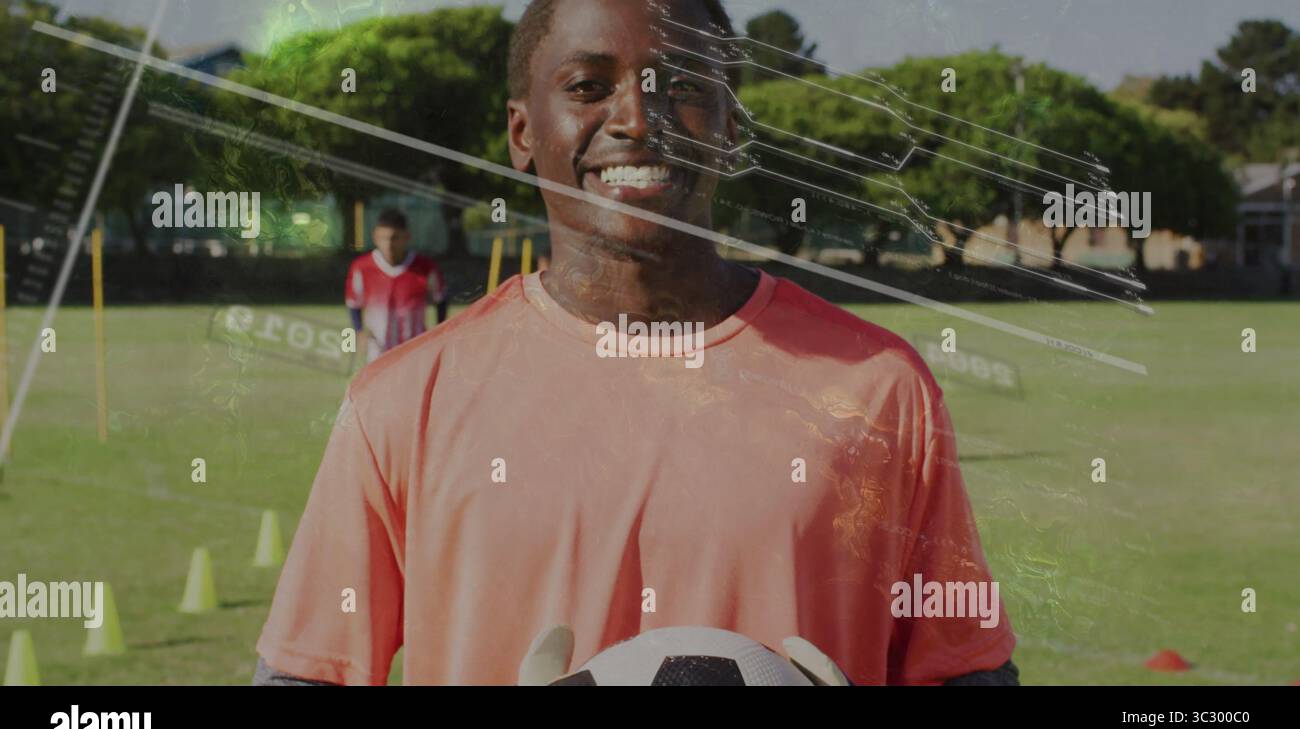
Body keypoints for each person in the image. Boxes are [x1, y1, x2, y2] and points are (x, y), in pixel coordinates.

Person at [255, 0, 1017, 686]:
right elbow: (305, 676)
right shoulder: (398, 404)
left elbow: (966, 672)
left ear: (729, 127)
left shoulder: (880, 389)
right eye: (588, 87)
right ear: (523, 133)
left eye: (682, 86)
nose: (637, 120)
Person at [345, 208, 448, 363]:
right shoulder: (362, 267)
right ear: (375, 237)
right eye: (383, 238)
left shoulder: (425, 268)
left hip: (415, 350)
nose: (388, 244)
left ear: (406, 237)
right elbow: (353, 303)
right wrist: (359, 332)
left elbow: (440, 299)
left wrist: (439, 331)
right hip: (378, 353)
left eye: (394, 238)